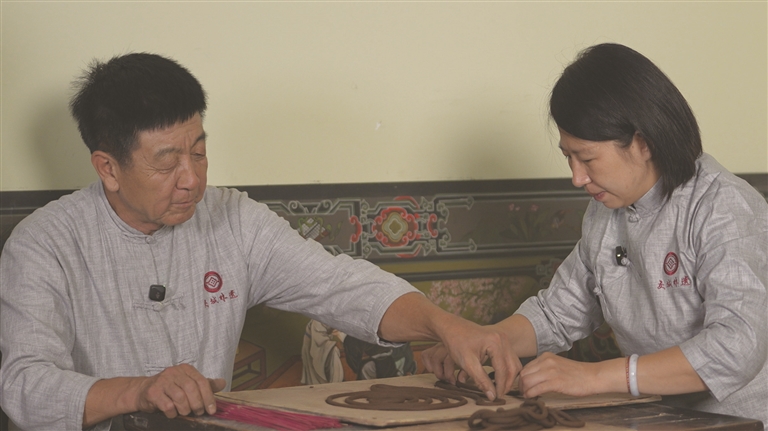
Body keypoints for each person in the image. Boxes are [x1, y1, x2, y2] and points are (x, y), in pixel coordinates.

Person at [0, 53, 517, 431]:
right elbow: (23, 384)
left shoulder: (233, 219)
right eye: (166, 163)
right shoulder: (45, 244)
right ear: (108, 169)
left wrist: (446, 326)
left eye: (198, 152)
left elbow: (341, 285)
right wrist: (138, 391)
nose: (191, 179)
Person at [422, 43, 768, 424]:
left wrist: (596, 377)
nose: (577, 178)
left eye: (587, 158)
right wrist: (486, 341)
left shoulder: (723, 207)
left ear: (643, 143)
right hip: (660, 418)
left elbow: (738, 346)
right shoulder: (606, 212)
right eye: (568, 158)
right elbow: (557, 313)